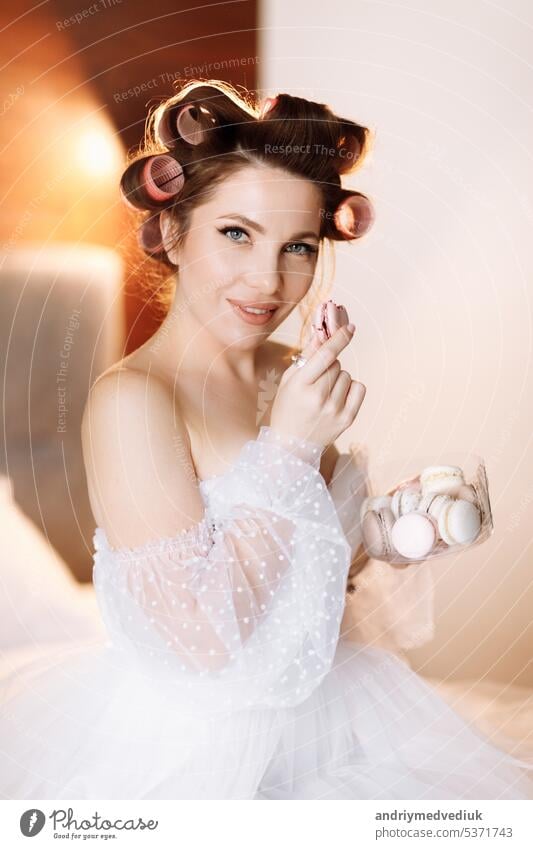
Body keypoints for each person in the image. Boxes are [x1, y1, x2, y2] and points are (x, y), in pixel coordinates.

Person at [0, 79, 532, 800]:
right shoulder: (133, 400)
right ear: (174, 231)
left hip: (337, 707)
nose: (267, 278)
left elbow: (309, 566)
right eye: (236, 233)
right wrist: (288, 448)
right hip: (207, 745)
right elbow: (205, 641)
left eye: (298, 246)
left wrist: (391, 529)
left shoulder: (289, 369)